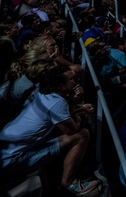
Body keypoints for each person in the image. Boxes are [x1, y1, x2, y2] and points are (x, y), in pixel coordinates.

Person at [0, 64, 99, 195]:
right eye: (72, 79)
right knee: (82, 135)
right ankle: (69, 183)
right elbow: (72, 129)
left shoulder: (45, 94)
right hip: (11, 160)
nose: (77, 81)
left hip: (5, 152)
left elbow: (62, 115)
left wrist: (75, 105)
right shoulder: (57, 103)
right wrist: (79, 110)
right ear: (60, 86)